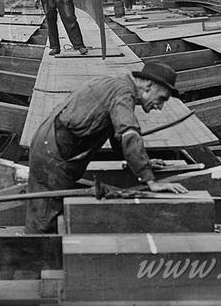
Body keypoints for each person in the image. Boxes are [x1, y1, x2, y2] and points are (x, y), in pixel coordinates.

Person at [25, 61, 189, 233]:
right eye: (162, 98)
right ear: (148, 86)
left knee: (48, 209)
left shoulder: (119, 87)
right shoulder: (123, 92)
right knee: (44, 218)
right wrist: (150, 180)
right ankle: (34, 257)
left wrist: (144, 163)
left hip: (54, 146)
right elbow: (129, 134)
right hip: (52, 153)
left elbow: (118, 138)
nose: (160, 107)